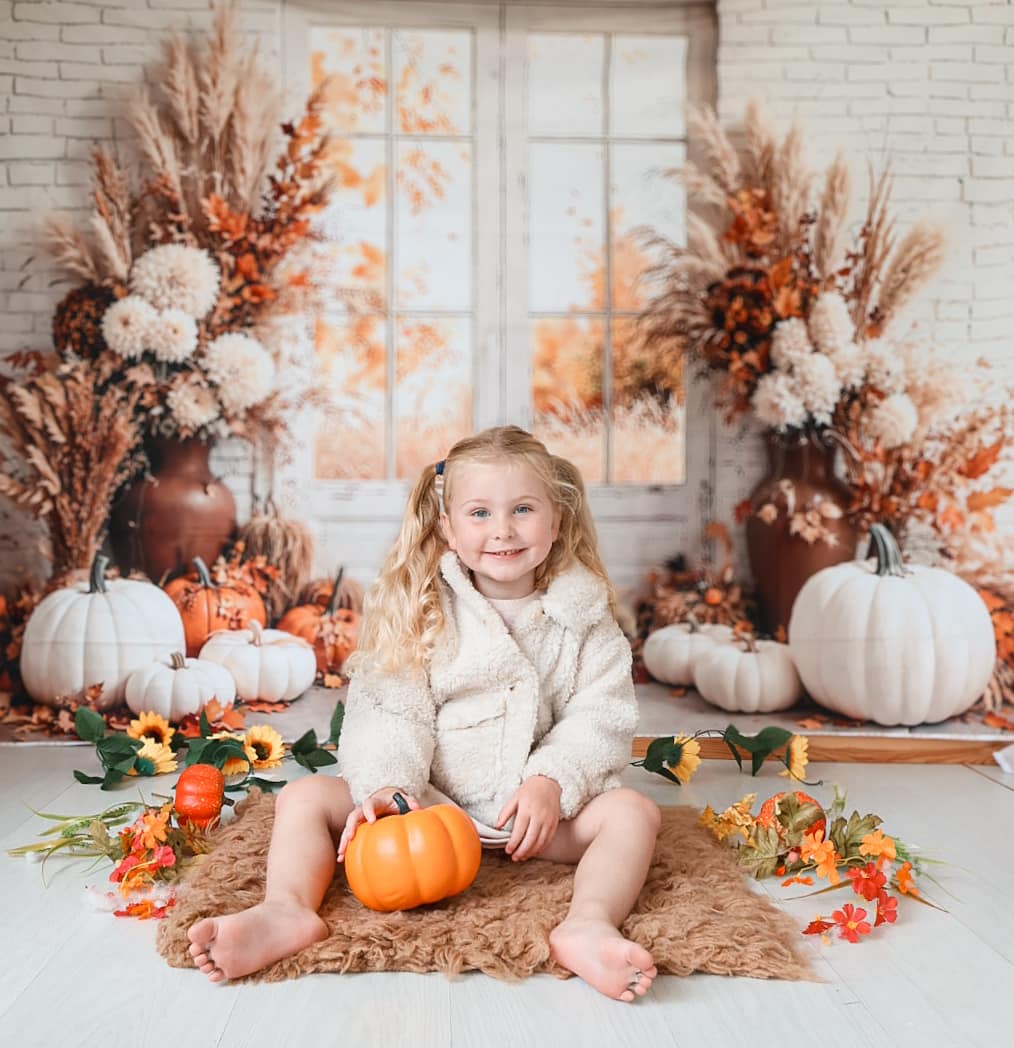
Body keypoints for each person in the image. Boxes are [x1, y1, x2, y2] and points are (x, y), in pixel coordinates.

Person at [188, 425, 661, 1002]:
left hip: (536, 819)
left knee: (632, 814)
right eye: (481, 513)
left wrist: (552, 781)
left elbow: (600, 716)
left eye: (523, 510)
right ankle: (285, 910)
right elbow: (390, 711)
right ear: (448, 530)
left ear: (557, 520)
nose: (503, 530)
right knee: (304, 798)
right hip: (431, 803)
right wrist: (392, 787)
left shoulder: (584, 618)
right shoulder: (422, 610)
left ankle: (588, 921)